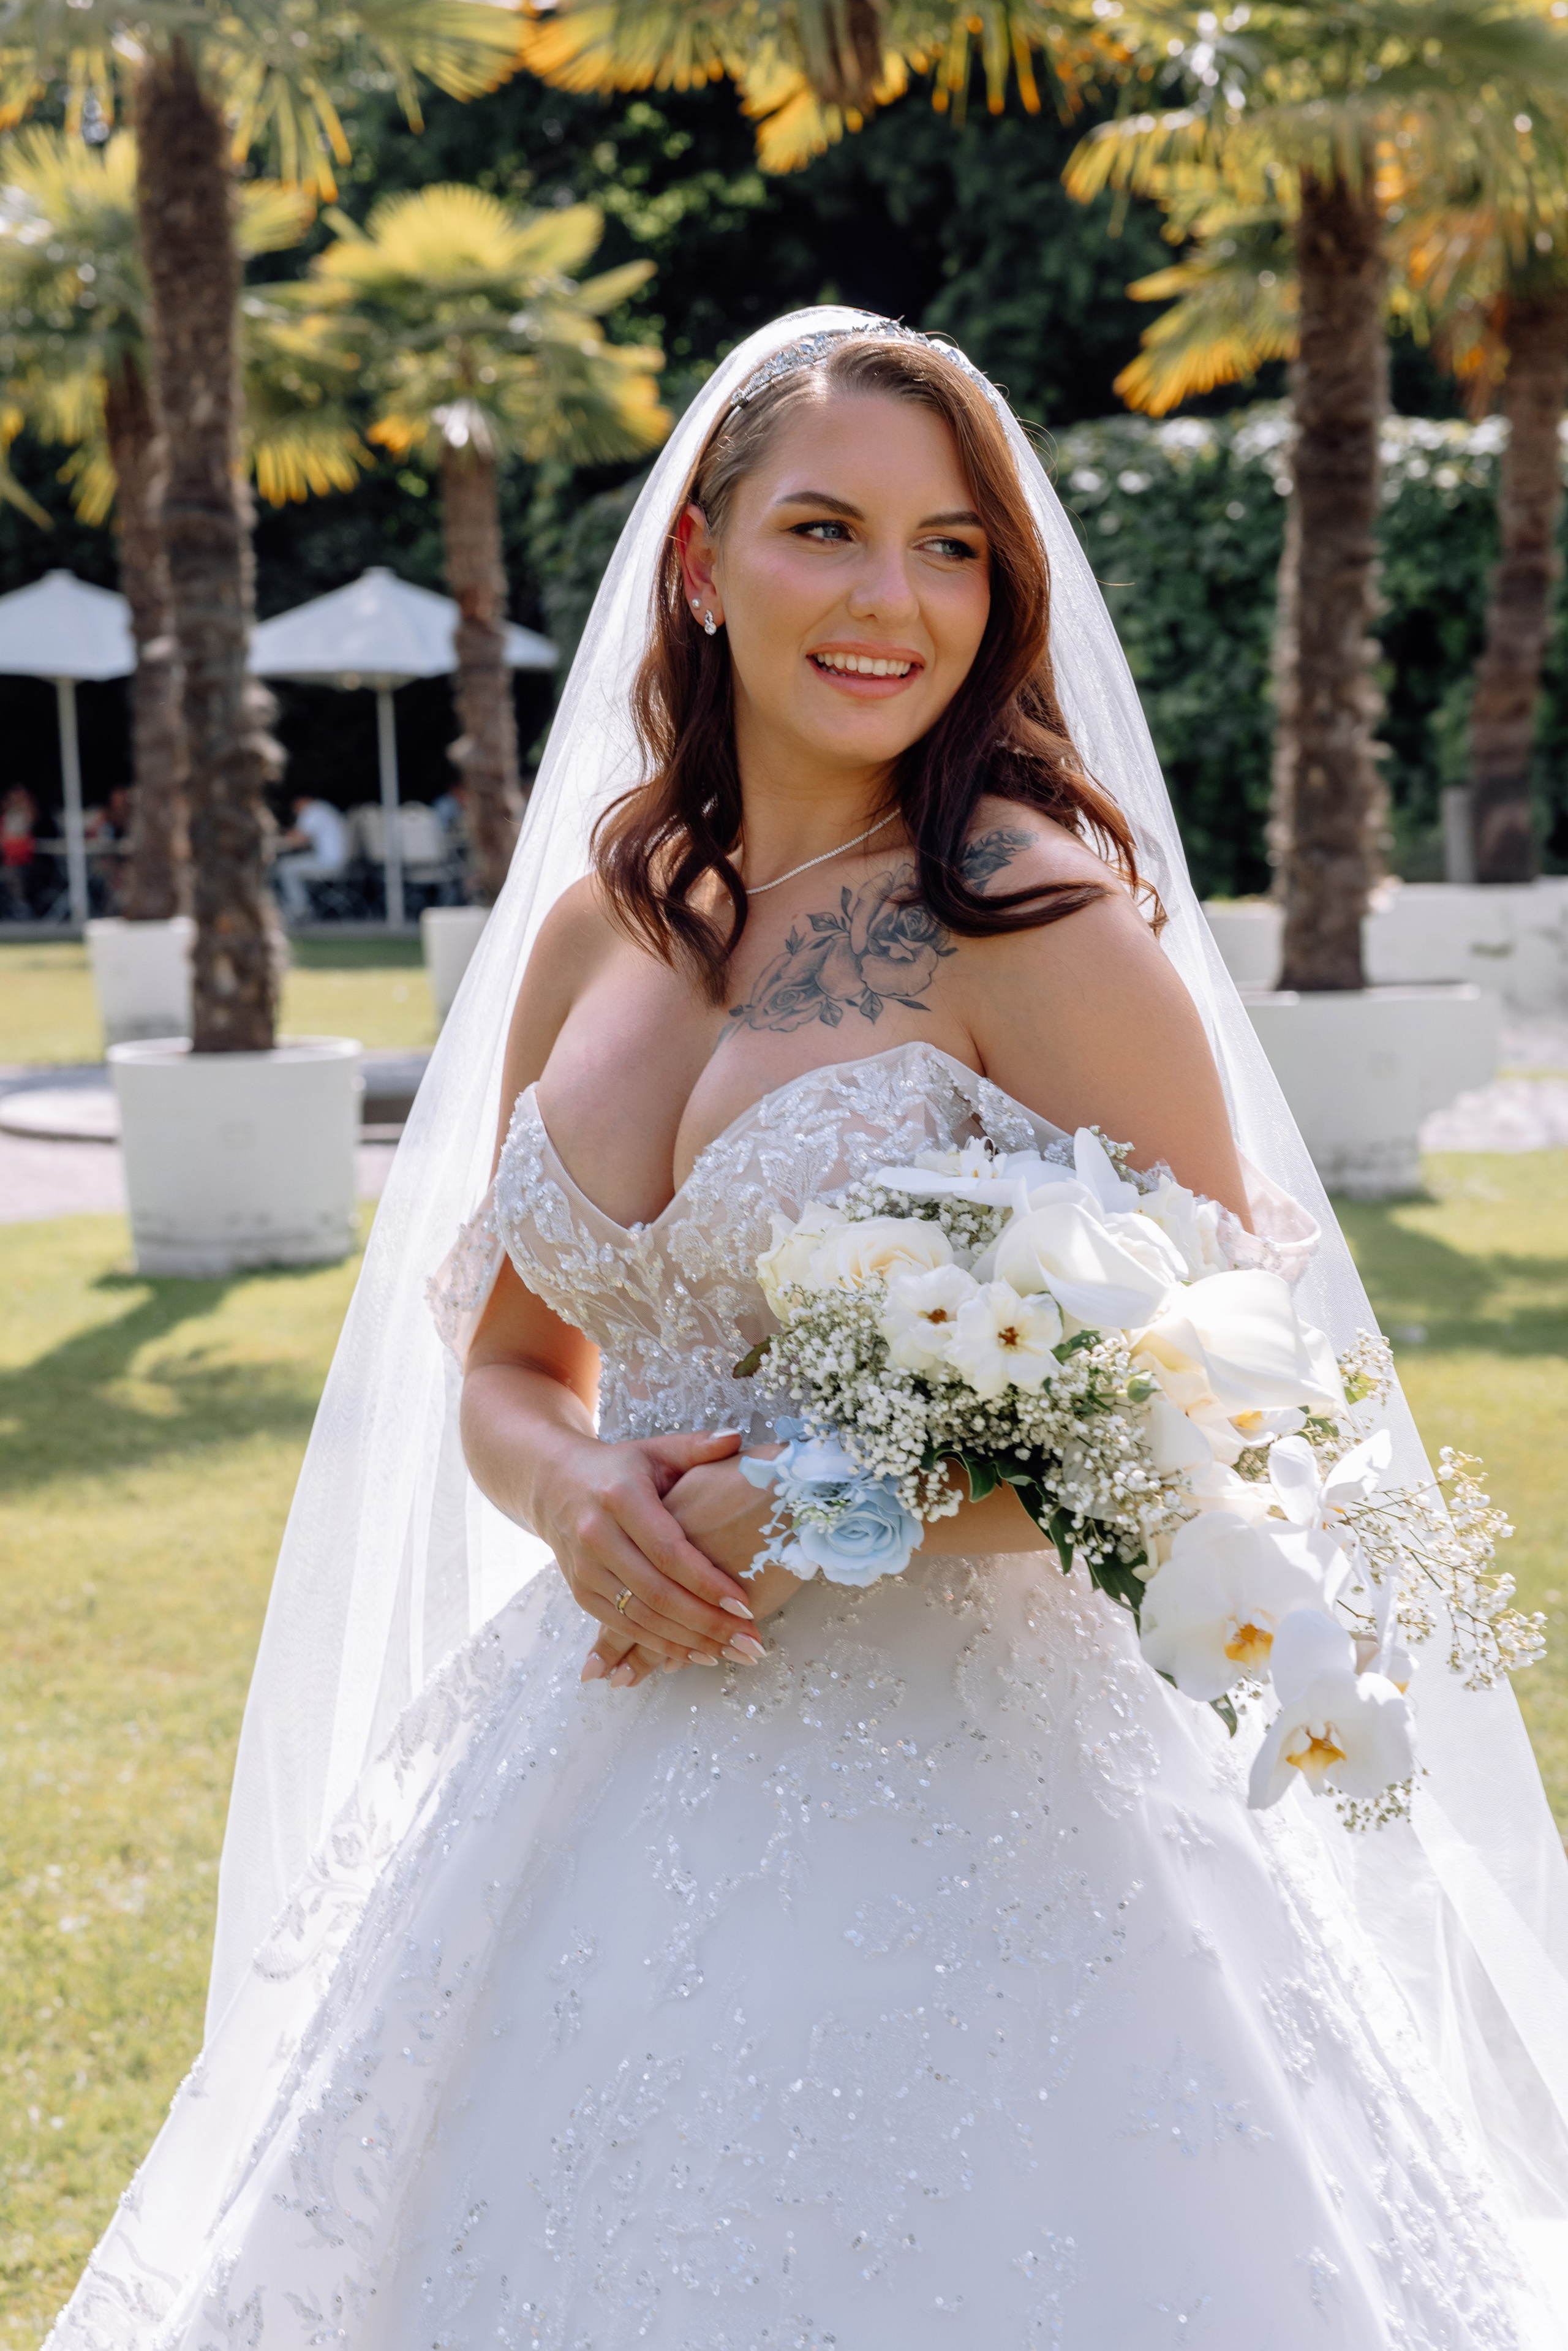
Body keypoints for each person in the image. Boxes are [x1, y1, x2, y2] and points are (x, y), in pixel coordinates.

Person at [47, 316, 1568, 2349]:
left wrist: (819, 1492)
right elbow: (508, 1363)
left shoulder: (1038, 919)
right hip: (601, 1740)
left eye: (951, 549)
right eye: (825, 528)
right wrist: (582, 1483)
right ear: (699, 557)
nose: (889, 598)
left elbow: (1229, 1394)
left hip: (980, 1794)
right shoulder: (602, 915)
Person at [272, 791, 349, 922]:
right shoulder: (325, 808)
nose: (296, 813)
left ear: (300, 802)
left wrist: (279, 837)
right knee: (292, 865)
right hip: (342, 862)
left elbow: (296, 841)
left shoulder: (312, 811)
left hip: (329, 864)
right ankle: (301, 905)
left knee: (285, 868)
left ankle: (299, 910)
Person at [1, 785, 36, 918]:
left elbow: (22, 841)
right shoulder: (5, 818)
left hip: (24, 863)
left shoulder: (28, 816)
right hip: (8, 861)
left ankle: (21, 905)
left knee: (12, 873)